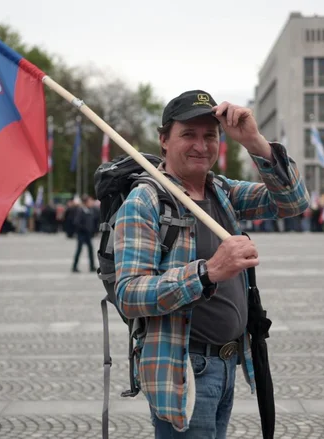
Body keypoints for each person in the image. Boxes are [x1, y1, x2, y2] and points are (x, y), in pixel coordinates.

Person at [113, 90, 309, 438]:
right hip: (183, 368)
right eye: (188, 134)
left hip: (228, 362)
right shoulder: (145, 200)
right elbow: (129, 293)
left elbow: (293, 202)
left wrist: (255, 142)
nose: (200, 146)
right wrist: (207, 272)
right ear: (163, 140)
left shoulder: (221, 191)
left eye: (210, 135)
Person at [72, 195, 97, 273]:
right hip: (82, 234)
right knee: (79, 250)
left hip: (88, 234)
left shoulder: (90, 210)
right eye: (89, 201)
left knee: (90, 250)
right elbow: (76, 222)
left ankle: (92, 266)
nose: (91, 203)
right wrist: (84, 229)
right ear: (85, 202)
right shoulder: (81, 211)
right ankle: (74, 267)